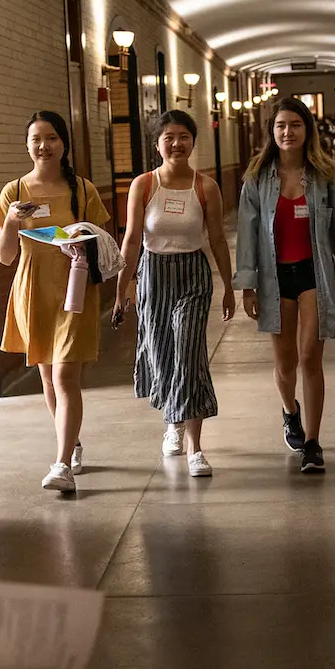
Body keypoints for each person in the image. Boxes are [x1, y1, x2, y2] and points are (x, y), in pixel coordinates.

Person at [233, 97, 335, 474]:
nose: (287, 132)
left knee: (310, 358)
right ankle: (290, 411)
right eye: (280, 126)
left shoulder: (324, 176)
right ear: (271, 132)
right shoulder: (257, 178)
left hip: (315, 273)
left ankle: (313, 442)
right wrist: (248, 284)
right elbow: (247, 233)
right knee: (285, 363)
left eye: (295, 125)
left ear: (307, 130)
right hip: (275, 277)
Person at [0, 111, 111, 493]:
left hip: (73, 289)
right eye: (36, 139)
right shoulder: (14, 191)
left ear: (64, 143)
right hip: (33, 289)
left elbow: (101, 239)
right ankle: (70, 440)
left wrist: (80, 235)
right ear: (27, 145)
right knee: (46, 374)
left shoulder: (82, 189)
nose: (44, 146)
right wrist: (11, 222)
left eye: (52, 138)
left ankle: (61, 464)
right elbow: (5, 256)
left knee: (64, 375)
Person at [115, 111, 236, 478]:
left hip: (192, 275)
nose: (177, 144)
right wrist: (122, 288)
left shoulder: (206, 186)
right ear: (157, 144)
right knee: (162, 352)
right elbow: (133, 239)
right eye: (168, 137)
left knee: (190, 353)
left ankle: (196, 448)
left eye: (184, 136)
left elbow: (216, 238)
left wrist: (230, 287)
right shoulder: (144, 185)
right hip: (154, 274)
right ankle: (174, 422)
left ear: (193, 142)